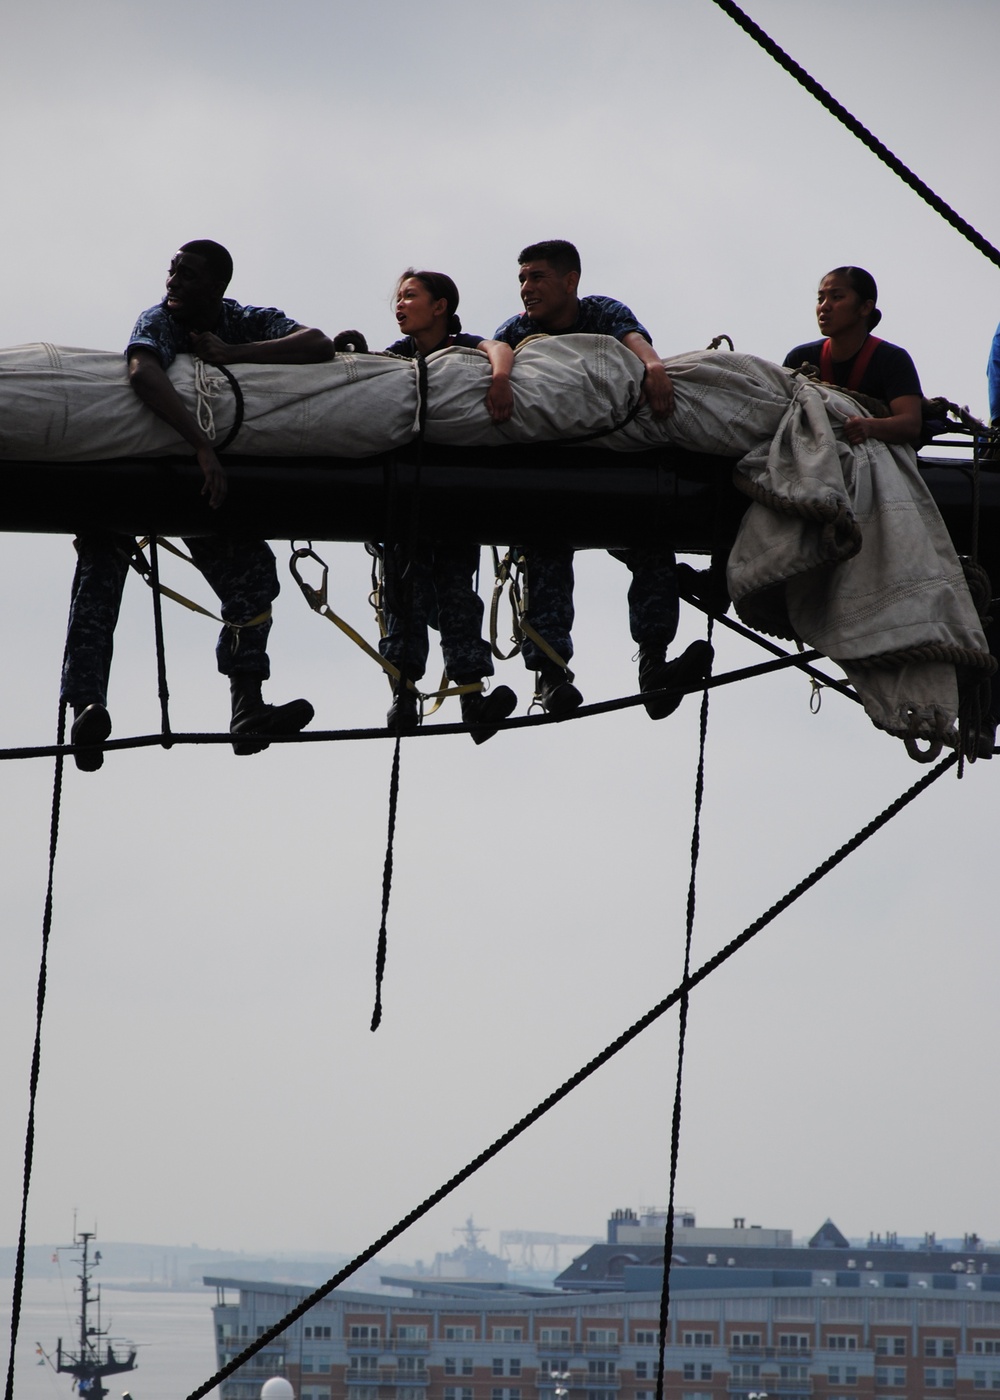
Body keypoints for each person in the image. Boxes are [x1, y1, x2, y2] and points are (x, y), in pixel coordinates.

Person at [62, 239, 335, 770]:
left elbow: (318, 344)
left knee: (253, 579)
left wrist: (237, 354)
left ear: (217, 287)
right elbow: (143, 373)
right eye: (172, 272)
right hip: (134, 471)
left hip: (190, 487)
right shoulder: (161, 320)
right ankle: (86, 706)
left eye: (186, 275)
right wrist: (202, 446)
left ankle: (247, 707)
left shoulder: (243, 320)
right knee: (100, 573)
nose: (172, 283)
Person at [493, 239, 712, 719]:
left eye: (537, 277)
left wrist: (654, 369)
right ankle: (551, 679)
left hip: (610, 467)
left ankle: (655, 668)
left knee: (652, 547)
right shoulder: (517, 331)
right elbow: (494, 362)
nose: (527, 289)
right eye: (522, 279)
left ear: (570, 281)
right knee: (544, 558)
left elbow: (635, 344)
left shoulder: (601, 314)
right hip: (548, 473)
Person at [379, 269, 517, 742]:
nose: (399, 304)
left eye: (410, 296)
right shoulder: (394, 358)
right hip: (409, 502)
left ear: (440, 306)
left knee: (458, 596)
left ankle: (473, 699)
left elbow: (499, 350)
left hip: (453, 496)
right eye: (397, 297)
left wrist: (499, 380)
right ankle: (403, 696)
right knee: (405, 598)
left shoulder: (464, 348)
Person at [783, 266, 923, 445]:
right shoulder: (800, 359)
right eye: (821, 298)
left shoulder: (891, 359)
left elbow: (910, 425)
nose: (824, 306)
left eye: (837, 297)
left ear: (865, 307)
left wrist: (869, 427)